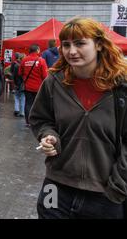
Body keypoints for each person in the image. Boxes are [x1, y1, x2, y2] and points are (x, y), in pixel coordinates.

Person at [30, 17, 127, 219]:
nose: (71, 51)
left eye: (80, 43)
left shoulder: (121, 88)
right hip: (55, 188)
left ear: (99, 45)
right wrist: (48, 136)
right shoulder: (53, 82)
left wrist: (117, 187)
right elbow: (41, 119)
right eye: (66, 45)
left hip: (105, 194)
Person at [18, 44, 48, 126]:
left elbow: (20, 73)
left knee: (28, 103)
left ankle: (28, 122)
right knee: (38, 104)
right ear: (37, 50)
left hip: (27, 86)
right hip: (38, 87)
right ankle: (36, 121)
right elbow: (45, 76)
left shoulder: (24, 60)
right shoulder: (41, 60)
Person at [10, 52, 25, 117]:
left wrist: (15, 83)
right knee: (22, 98)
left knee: (16, 97)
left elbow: (13, 74)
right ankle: (22, 112)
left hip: (17, 83)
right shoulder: (24, 65)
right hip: (23, 84)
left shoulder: (15, 65)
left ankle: (16, 109)